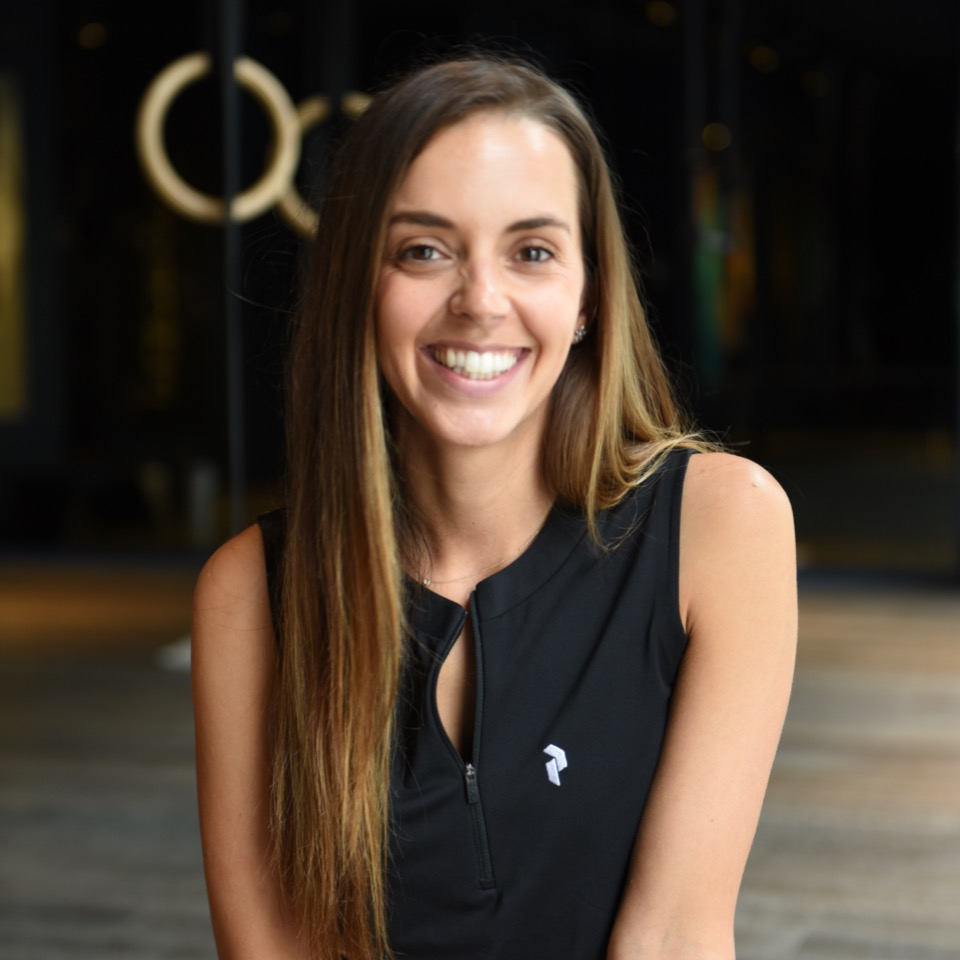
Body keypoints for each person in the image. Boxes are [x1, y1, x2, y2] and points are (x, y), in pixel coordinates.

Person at [191, 54, 797, 960]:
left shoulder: (721, 526)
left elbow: (674, 936)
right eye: (424, 250)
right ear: (362, 285)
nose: (480, 301)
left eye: (533, 251)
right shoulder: (251, 592)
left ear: (589, 294)